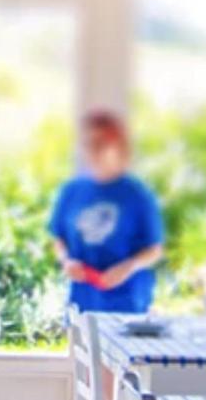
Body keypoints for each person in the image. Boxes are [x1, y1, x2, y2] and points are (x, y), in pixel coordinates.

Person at [49, 110, 165, 316]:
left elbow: (154, 249)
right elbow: (58, 239)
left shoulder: (138, 194)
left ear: (118, 147)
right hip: (81, 304)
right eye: (87, 144)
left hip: (128, 304)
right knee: (82, 348)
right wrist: (66, 261)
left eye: (100, 144)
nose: (93, 151)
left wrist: (129, 267)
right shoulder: (71, 191)